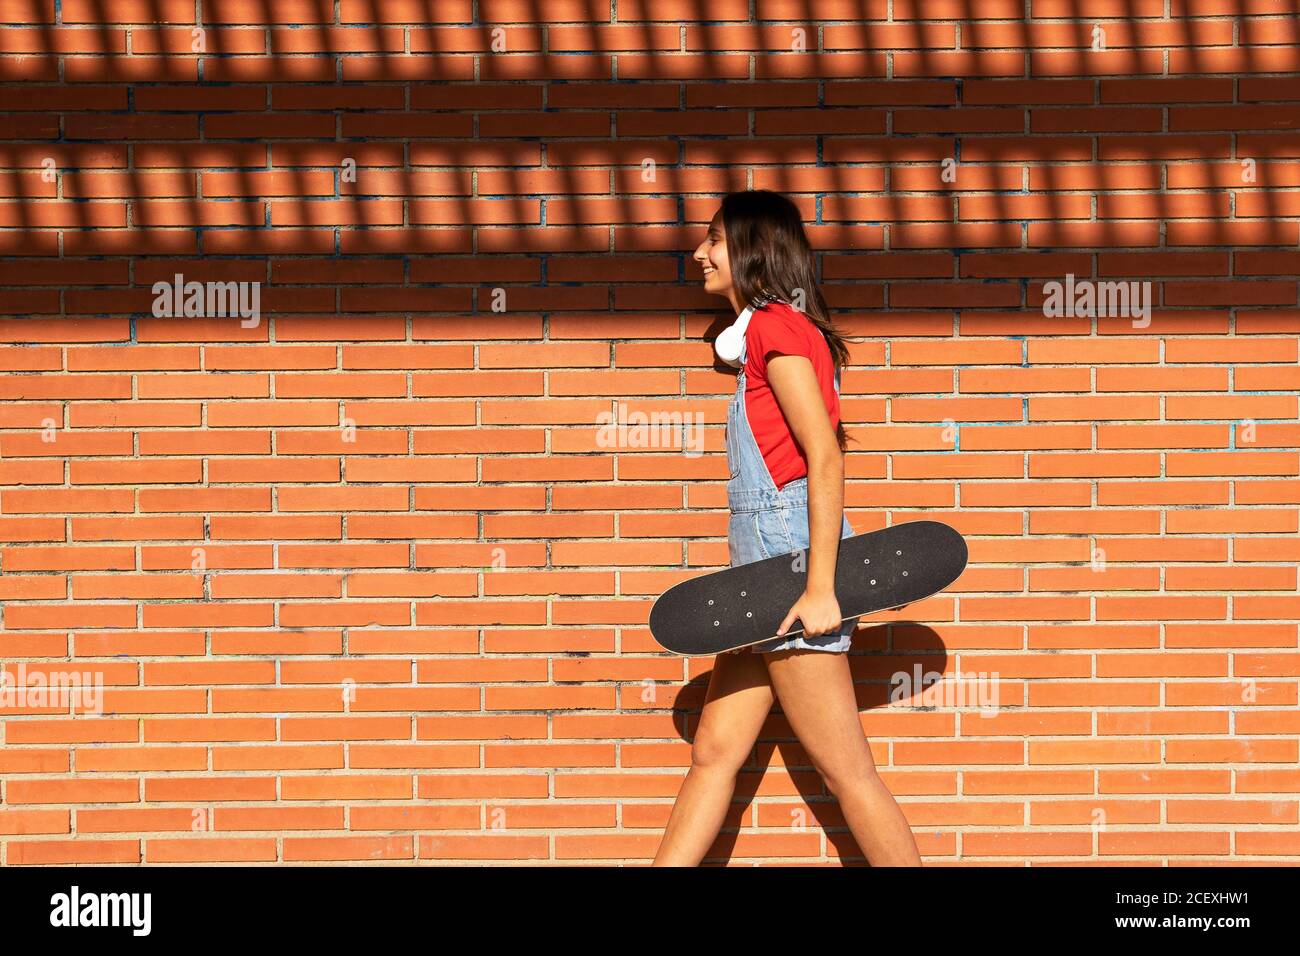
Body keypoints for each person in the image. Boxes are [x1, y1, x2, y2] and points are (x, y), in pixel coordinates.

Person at [651, 190, 922, 867]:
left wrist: (822, 588)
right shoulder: (763, 339)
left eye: (713, 239)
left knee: (846, 772)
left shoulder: (776, 327)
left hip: (792, 567)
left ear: (748, 247)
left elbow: (823, 455)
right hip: (760, 571)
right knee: (714, 753)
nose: (699, 254)